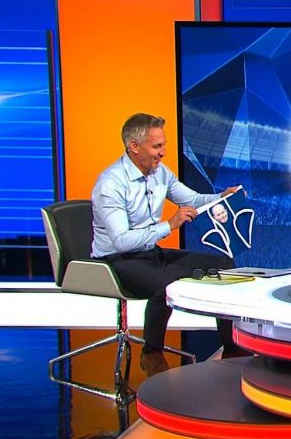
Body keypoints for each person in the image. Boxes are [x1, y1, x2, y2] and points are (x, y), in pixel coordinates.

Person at [91, 113, 242, 376]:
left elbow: (192, 199)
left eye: (164, 145)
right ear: (134, 146)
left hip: (150, 253)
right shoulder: (111, 184)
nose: (163, 153)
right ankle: (151, 353)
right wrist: (170, 225)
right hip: (116, 260)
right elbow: (122, 241)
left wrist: (221, 197)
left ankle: (232, 349)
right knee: (166, 286)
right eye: (157, 146)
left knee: (223, 266)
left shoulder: (160, 172)